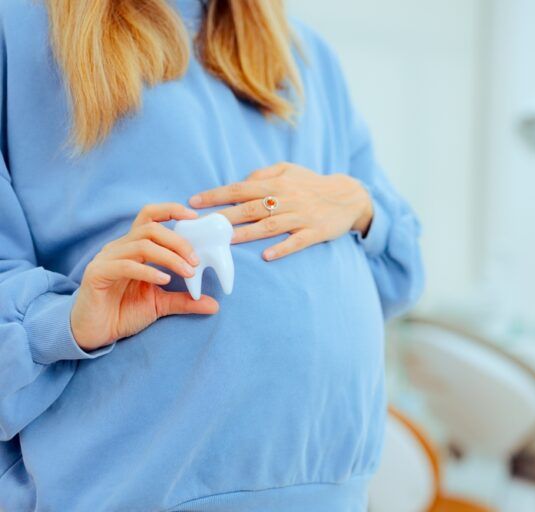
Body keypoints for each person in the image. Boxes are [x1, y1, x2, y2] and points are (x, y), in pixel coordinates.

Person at [0, 0, 424, 510]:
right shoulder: (17, 30)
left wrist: (359, 207)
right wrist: (63, 324)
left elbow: (400, 275)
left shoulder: (307, 56)